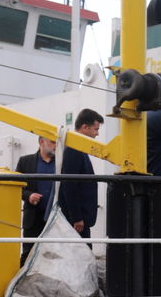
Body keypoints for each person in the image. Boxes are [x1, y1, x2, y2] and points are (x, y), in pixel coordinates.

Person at [59, 108, 103, 239]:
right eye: (95, 129)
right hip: (77, 221)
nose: (97, 134)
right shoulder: (74, 150)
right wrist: (77, 217)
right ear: (84, 127)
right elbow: (69, 185)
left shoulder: (78, 149)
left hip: (80, 219)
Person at [15, 136, 58, 264]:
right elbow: (16, 187)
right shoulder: (25, 162)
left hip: (56, 218)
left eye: (57, 142)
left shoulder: (62, 162)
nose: (56, 146)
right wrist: (28, 196)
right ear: (41, 142)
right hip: (33, 219)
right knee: (28, 255)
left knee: (55, 257)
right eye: (52, 142)